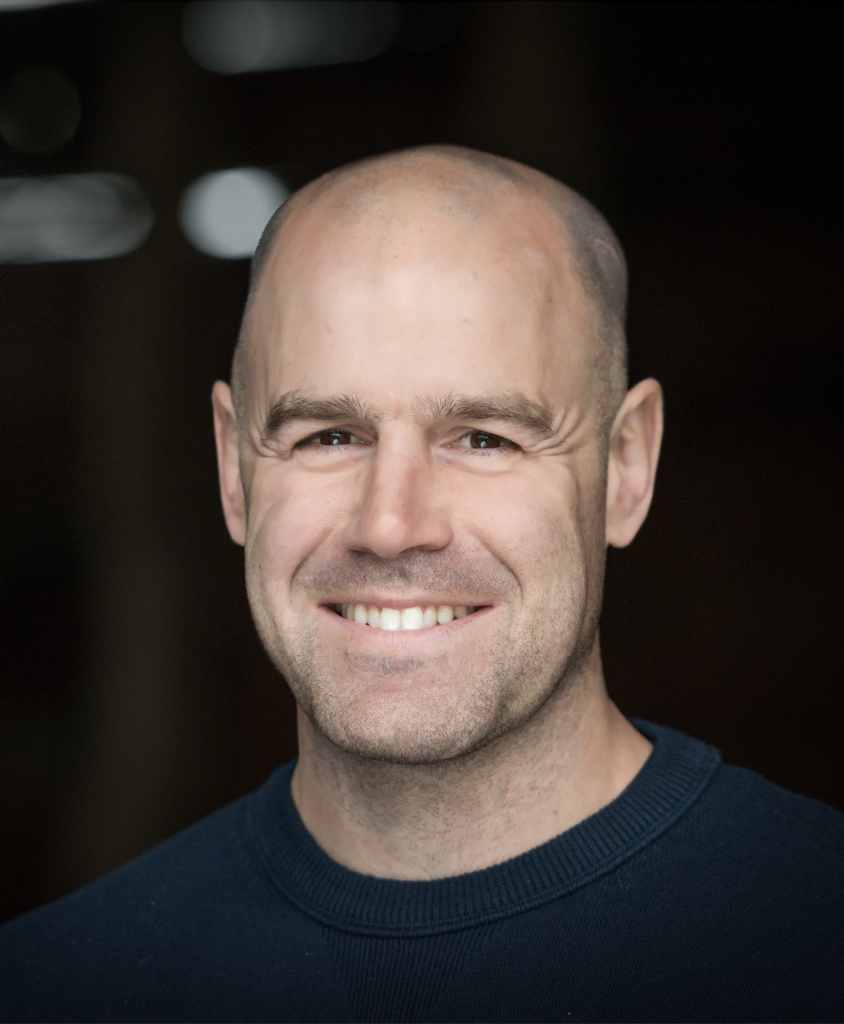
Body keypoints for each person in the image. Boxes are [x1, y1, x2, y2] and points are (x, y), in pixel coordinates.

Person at [1, 146, 841, 1023]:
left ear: (626, 468)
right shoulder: (52, 989)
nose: (390, 524)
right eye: (328, 436)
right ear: (232, 467)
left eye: (484, 438)